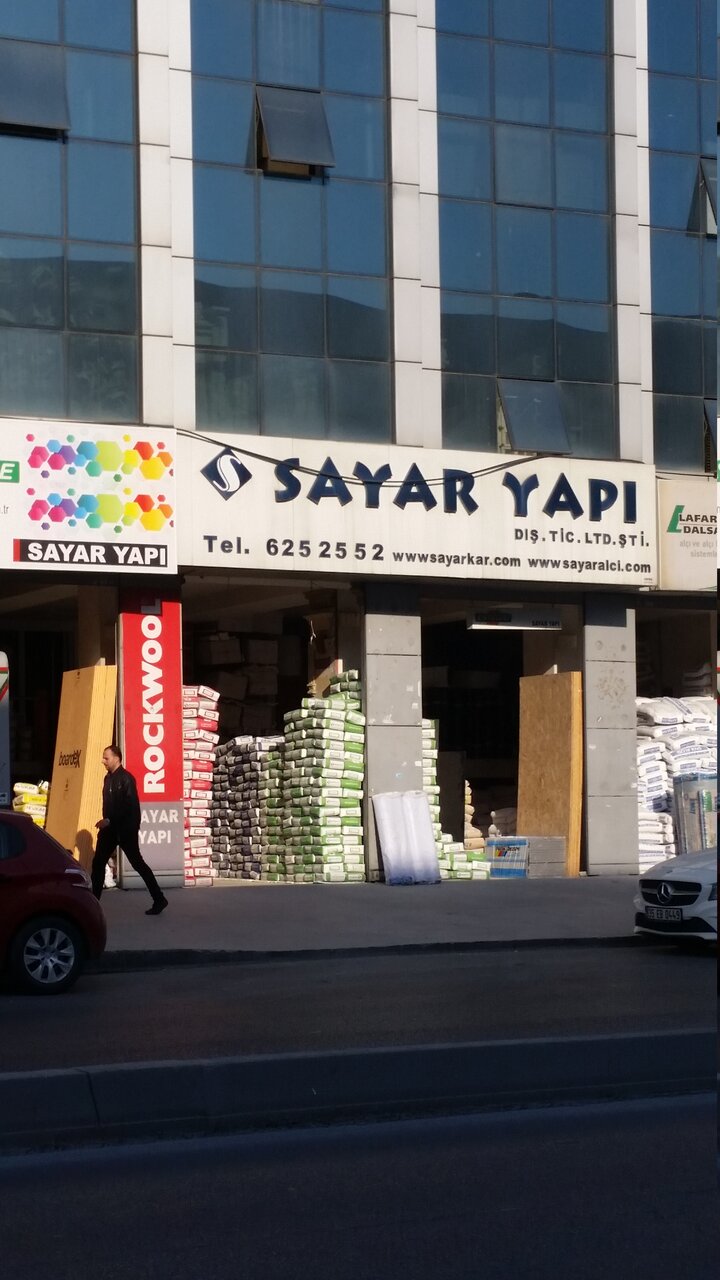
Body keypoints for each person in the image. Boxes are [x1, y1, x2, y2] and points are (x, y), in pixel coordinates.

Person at [91, 744, 168, 916]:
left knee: (138, 864)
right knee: (98, 863)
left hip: (125, 830)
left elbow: (131, 808)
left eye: (106, 758)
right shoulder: (107, 778)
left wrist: (110, 820)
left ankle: (159, 899)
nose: (103, 761)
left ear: (116, 758)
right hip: (109, 830)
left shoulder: (127, 779)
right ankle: (93, 904)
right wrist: (107, 822)